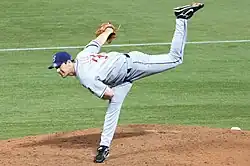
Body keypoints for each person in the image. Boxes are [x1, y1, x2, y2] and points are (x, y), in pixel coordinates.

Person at [48, 2, 204, 163]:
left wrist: (100, 91)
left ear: (67, 62)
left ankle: (181, 18)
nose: (58, 70)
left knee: (175, 59)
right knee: (113, 110)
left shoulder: (85, 76)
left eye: (59, 67)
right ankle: (103, 147)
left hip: (134, 65)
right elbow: (99, 40)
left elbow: (108, 94)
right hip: (122, 76)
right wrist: (108, 30)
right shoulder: (83, 55)